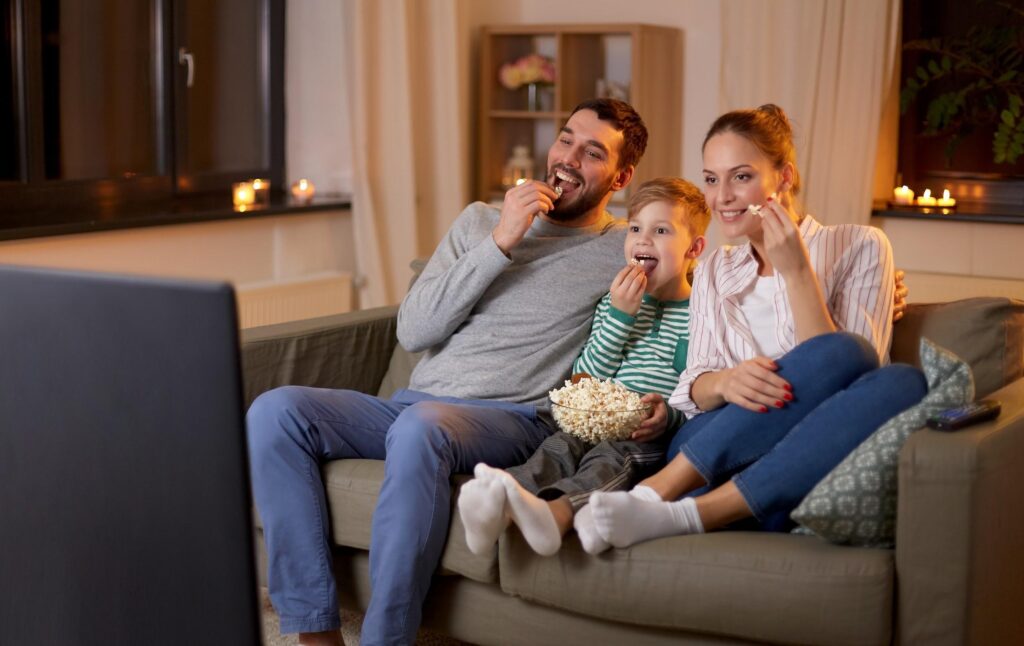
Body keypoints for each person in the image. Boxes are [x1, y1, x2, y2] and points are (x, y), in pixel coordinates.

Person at [245, 98, 648, 646]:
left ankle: (387, 639)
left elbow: (696, 286)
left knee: (421, 427)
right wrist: (501, 241)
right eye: (565, 139)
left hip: (511, 420)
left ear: (621, 176)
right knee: (275, 411)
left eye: (593, 152)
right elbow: (414, 330)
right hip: (414, 403)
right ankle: (315, 631)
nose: (569, 158)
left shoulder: (622, 249)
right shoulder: (482, 221)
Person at [588, 104, 928, 547]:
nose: (722, 195)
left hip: (809, 445)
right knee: (850, 352)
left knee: (898, 381)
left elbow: (848, 380)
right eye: (712, 179)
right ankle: (663, 489)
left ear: (783, 177)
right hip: (713, 447)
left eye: (741, 176)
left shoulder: (860, 245)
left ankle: (688, 512)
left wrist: (798, 274)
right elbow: (692, 385)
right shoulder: (714, 269)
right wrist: (726, 383)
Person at [457, 177, 709, 557]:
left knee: (609, 460)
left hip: (645, 438)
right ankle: (498, 504)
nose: (643, 240)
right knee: (556, 447)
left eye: (661, 231)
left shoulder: (702, 317)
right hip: (595, 420)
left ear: (694, 248)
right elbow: (585, 378)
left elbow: (700, 395)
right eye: (636, 228)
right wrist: (621, 317)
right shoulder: (614, 304)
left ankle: (556, 513)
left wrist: (668, 418)